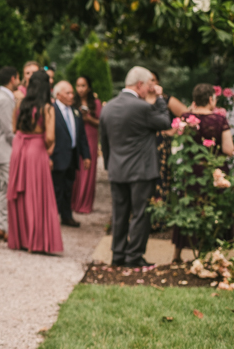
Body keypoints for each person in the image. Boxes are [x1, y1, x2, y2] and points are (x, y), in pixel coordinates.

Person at [99, 66, 172, 268]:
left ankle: (118, 255)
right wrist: (159, 99)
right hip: (141, 170)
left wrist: (109, 165)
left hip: (117, 170)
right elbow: (165, 122)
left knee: (120, 214)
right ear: (140, 84)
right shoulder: (142, 108)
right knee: (141, 214)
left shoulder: (108, 107)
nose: (152, 88)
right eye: (150, 84)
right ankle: (134, 256)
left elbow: (104, 142)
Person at [171, 83, 234, 263]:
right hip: (214, 171)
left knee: (189, 208)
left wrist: (190, 111)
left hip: (192, 170)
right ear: (209, 99)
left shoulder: (186, 118)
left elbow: (178, 137)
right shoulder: (219, 120)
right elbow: (229, 149)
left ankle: (177, 254)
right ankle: (214, 253)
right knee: (214, 209)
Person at [7, 70, 63, 253]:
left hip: (19, 149)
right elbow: (50, 137)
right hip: (35, 150)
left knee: (21, 195)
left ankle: (21, 240)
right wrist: (49, 148)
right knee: (37, 194)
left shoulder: (20, 103)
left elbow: (14, 128)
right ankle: (37, 242)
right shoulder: (47, 108)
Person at [146, 70, 187, 230]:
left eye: (154, 80)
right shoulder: (140, 99)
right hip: (144, 145)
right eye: (148, 80)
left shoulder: (166, 99)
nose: (151, 83)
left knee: (160, 179)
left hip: (161, 145)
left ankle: (158, 220)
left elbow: (186, 114)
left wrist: (172, 131)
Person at [51, 81, 91, 227]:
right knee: (56, 189)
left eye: (71, 93)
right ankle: (52, 218)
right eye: (67, 93)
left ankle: (67, 216)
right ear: (58, 95)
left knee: (69, 188)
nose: (71, 96)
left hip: (72, 156)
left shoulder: (76, 112)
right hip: (57, 156)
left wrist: (86, 155)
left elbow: (81, 136)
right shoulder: (52, 110)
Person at [0, 66, 21, 240]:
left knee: (4, 189)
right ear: (12, 78)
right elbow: (9, 130)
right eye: (18, 78)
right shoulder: (3, 99)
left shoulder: (5, 97)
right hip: (5, 152)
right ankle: (8, 228)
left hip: (5, 151)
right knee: (8, 190)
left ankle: (3, 226)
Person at [71, 76, 103, 213]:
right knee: (76, 171)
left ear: (89, 87)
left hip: (90, 137)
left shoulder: (95, 103)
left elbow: (101, 122)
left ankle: (85, 204)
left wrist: (87, 118)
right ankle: (73, 203)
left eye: (83, 85)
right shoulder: (72, 102)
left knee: (88, 171)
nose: (80, 89)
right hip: (76, 138)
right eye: (78, 85)